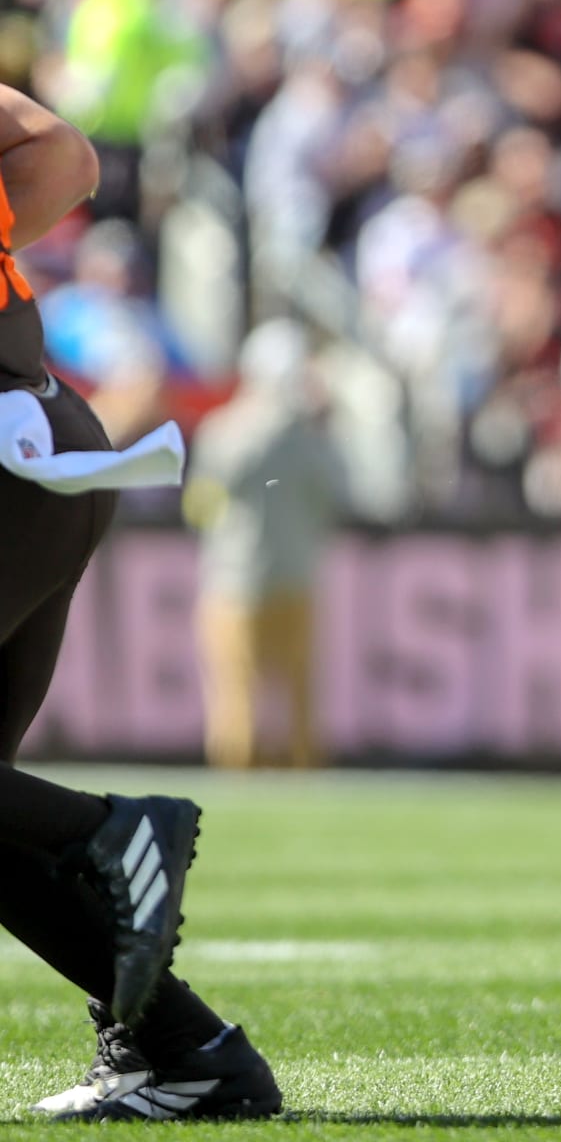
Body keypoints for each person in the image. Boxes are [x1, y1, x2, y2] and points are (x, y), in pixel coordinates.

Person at [0, 86, 280, 1120]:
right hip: (44, 433)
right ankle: (189, 1052)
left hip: (8, 459)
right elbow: (60, 154)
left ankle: (108, 830)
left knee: (36, 827)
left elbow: (56, 152)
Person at [186, 316, 344, 769]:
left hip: (233, 581)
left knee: (235, 698)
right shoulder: (314, 438)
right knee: (301, 702)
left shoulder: (225, 431)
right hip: (298, 577)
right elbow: (337, 496)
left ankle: (238, 791)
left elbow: (200, 504)